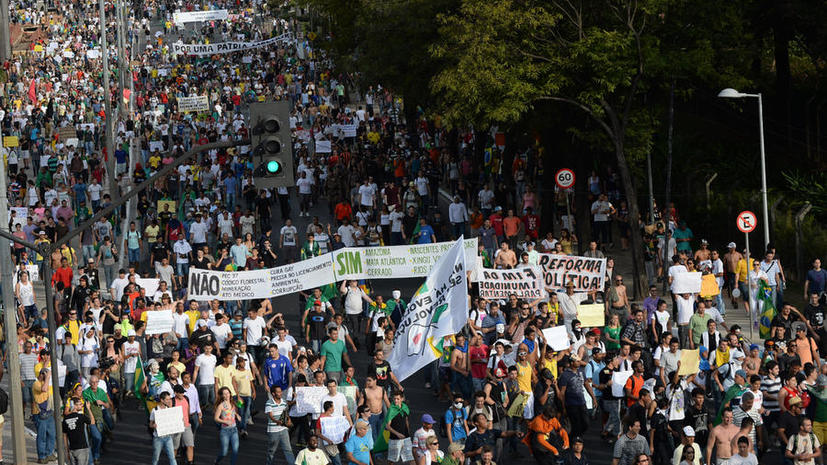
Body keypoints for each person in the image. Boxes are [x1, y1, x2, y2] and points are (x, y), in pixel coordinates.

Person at [385, 391, 413, 465]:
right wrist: (397, 434)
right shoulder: (391, 410)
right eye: (394, 399)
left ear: (402, 399)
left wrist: (408, 431)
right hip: (394, 438)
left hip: (406, 437)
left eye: (397, 399)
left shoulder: (405, 408)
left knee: (410, 457)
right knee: (392, 460)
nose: (396, 401)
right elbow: (387, 426)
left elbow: (406, 420)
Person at [62, 397, 93, 465]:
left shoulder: (65, 419)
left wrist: (67, 451)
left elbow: (64, 436)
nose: (82, 405)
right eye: (80, 404)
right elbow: (92, 422)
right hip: (82, 449)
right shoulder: (81, 416)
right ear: (75, 406)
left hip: (72, 449)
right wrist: (89, 409)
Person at [149, 392, 178, 465]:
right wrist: (153, 426)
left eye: (169, 399)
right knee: (156, 458)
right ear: (162, 400)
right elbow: (150, 424)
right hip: (158, 438)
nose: (169, 401)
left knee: (172, 458)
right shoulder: (155, 410)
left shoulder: (169, 410)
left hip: (168, 437)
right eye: (167, 399)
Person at [214, 386, 240, 465]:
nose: (226, 395)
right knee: (224, 452)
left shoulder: (233, 403)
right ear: (222, 396)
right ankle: (217, 461)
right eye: (224, 394)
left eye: (227, 393)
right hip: (225, 431)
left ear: (230, 394)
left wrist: (237, 415)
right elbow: (216, 418)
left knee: (235, 450)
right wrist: (224, 421)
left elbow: (237, 408)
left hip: (234, 430)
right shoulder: (221, 406)